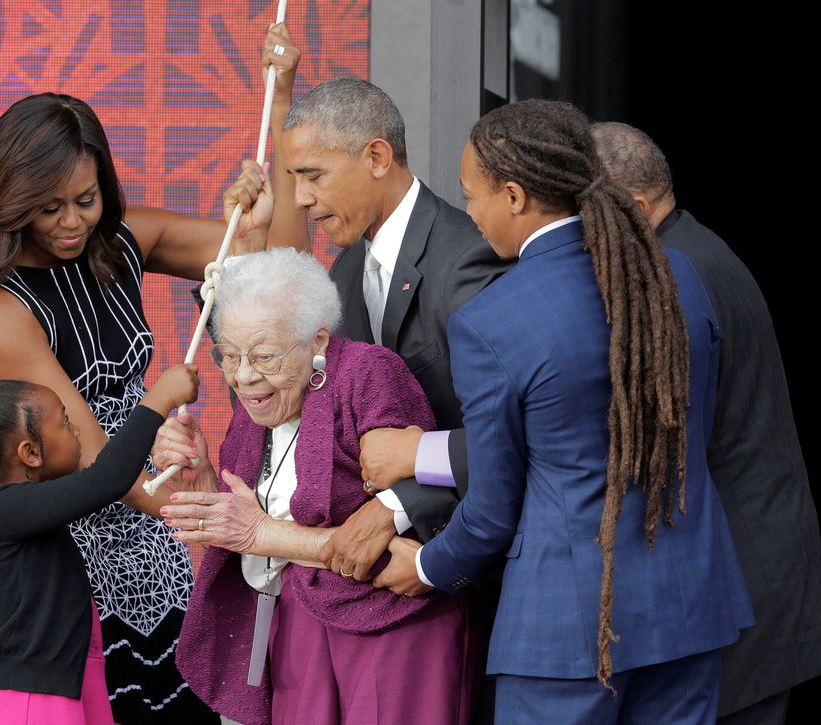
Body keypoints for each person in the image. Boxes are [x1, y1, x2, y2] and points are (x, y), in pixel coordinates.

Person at [377, 99, 754, 723]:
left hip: (567, 628)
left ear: (517, 197)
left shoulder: (492, 321)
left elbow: (493, 509)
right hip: (688, 605)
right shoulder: (677, 278)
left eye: (473, 196)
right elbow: (690, 435)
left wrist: (426, 563)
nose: (469, 213)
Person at [0, 92, 271, 722]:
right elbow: (91, 457)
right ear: (10, 202)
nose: (71, 221)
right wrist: (201, 499)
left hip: (145, 500)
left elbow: (263, 263)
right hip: (68, 525)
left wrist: (256, 218)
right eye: (48, 208)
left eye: (86, 200)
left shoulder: (118, 241)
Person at [155, 248, 473, 725]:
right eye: (230, 355)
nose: (243, 376)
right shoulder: (258, 404)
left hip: (392, 624)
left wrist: (260, 534)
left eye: (263, 356)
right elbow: (248, 523)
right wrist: (200, 479)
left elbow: (411, 520)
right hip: (300, 619)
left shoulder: (369, 375)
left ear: (317, 339)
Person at [221, 66, 511, 579]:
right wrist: (245, 249)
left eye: (313, 175)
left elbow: (507, 434)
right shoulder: (350, 265)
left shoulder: (467, 260)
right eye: (294, 180)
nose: (302, 199)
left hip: (456, 565)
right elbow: (295, 402)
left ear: (376, 157)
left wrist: (398, 506)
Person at [591, 121, 821, 724]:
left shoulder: (674, 276)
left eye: (586, 216)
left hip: (739, 580)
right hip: (756, 558)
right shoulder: (697, 249)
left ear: (636, 209)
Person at [0, 362, 198, 724]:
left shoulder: (27, 510)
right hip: (33, 701)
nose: (77, 432)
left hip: (70, 685)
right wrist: (159, 399)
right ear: (30, 453)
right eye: (65, 423)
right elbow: (105, 481)